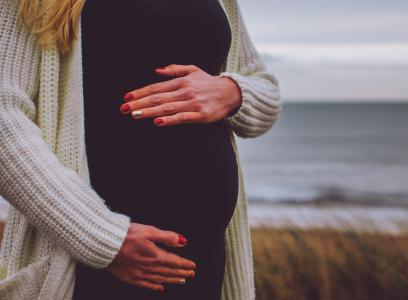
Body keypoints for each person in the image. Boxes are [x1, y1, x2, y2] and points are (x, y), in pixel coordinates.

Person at [0, 0, 281, 299]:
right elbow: (5, 118)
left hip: (203, 263)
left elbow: (264, 89)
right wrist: (101, 238)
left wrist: (232, 92)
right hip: (89, 260)